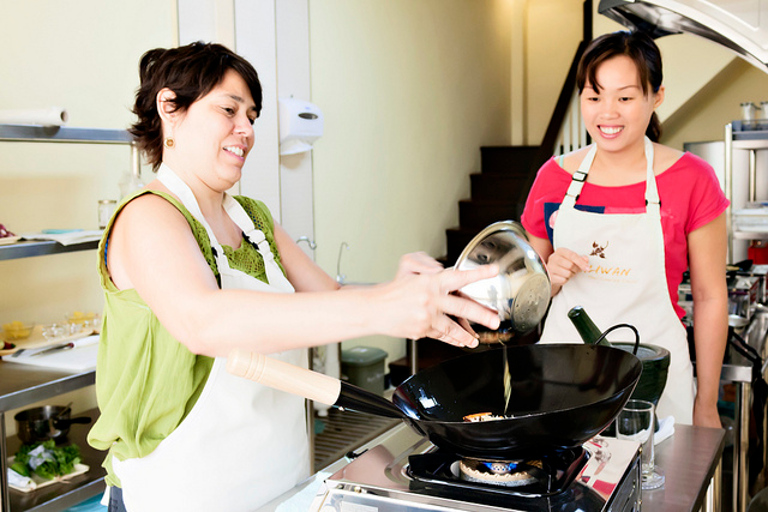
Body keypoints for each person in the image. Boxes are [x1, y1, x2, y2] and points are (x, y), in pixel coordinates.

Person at [86, 42, 500, 512]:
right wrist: (384, 305)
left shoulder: (253, 219)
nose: (246, 130)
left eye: (253, 116)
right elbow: (203, 323)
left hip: (277, 475)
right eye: (229, 110)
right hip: (180, 490)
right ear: (170, 108)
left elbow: (332, 298)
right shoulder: (148, 215)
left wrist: (399, 290)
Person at [520, 31, 728, 429]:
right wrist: (548, 279)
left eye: (625, 97)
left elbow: (709, 296)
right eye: (593, 97)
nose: (607, 113)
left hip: (656, 380)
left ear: (656, 97)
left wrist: (706, 403)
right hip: (564, 379)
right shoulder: (552, 178)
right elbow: (528, 300)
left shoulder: (692, 179)